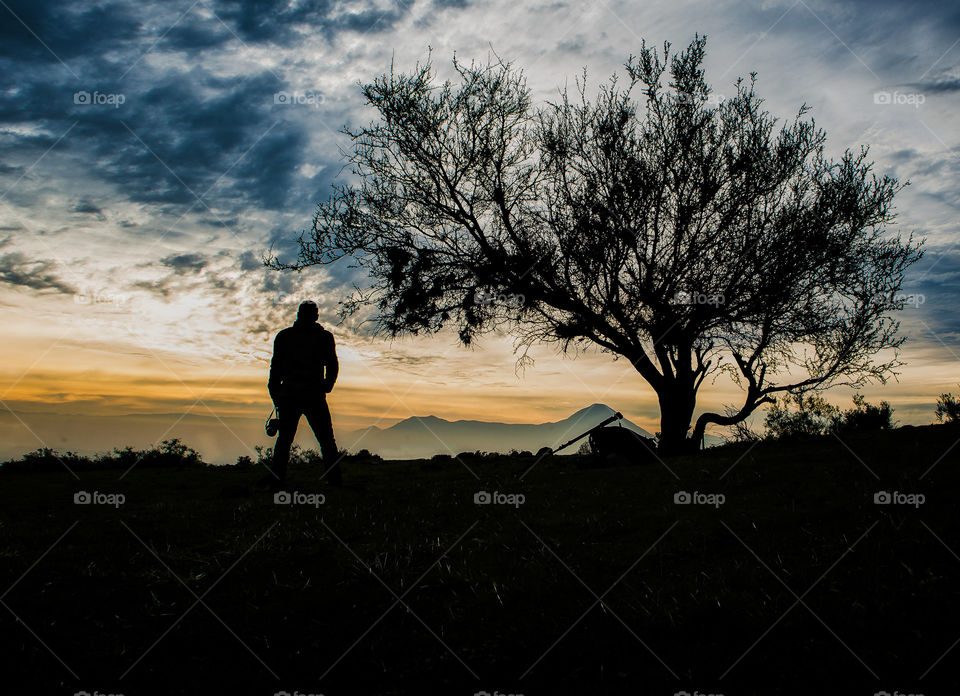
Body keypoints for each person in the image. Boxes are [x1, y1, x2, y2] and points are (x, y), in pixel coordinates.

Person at [265, 300, 341, 488]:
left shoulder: (284, 336)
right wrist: (327, 385)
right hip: (313, 394)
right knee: (326, 440)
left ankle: (276, 480)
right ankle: (334, 479)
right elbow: (332, 364)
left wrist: (276, 396)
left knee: (284, 441)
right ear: (316, 315)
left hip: (290, 394)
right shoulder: (324, 337)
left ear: (298, 314)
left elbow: (275, 370)